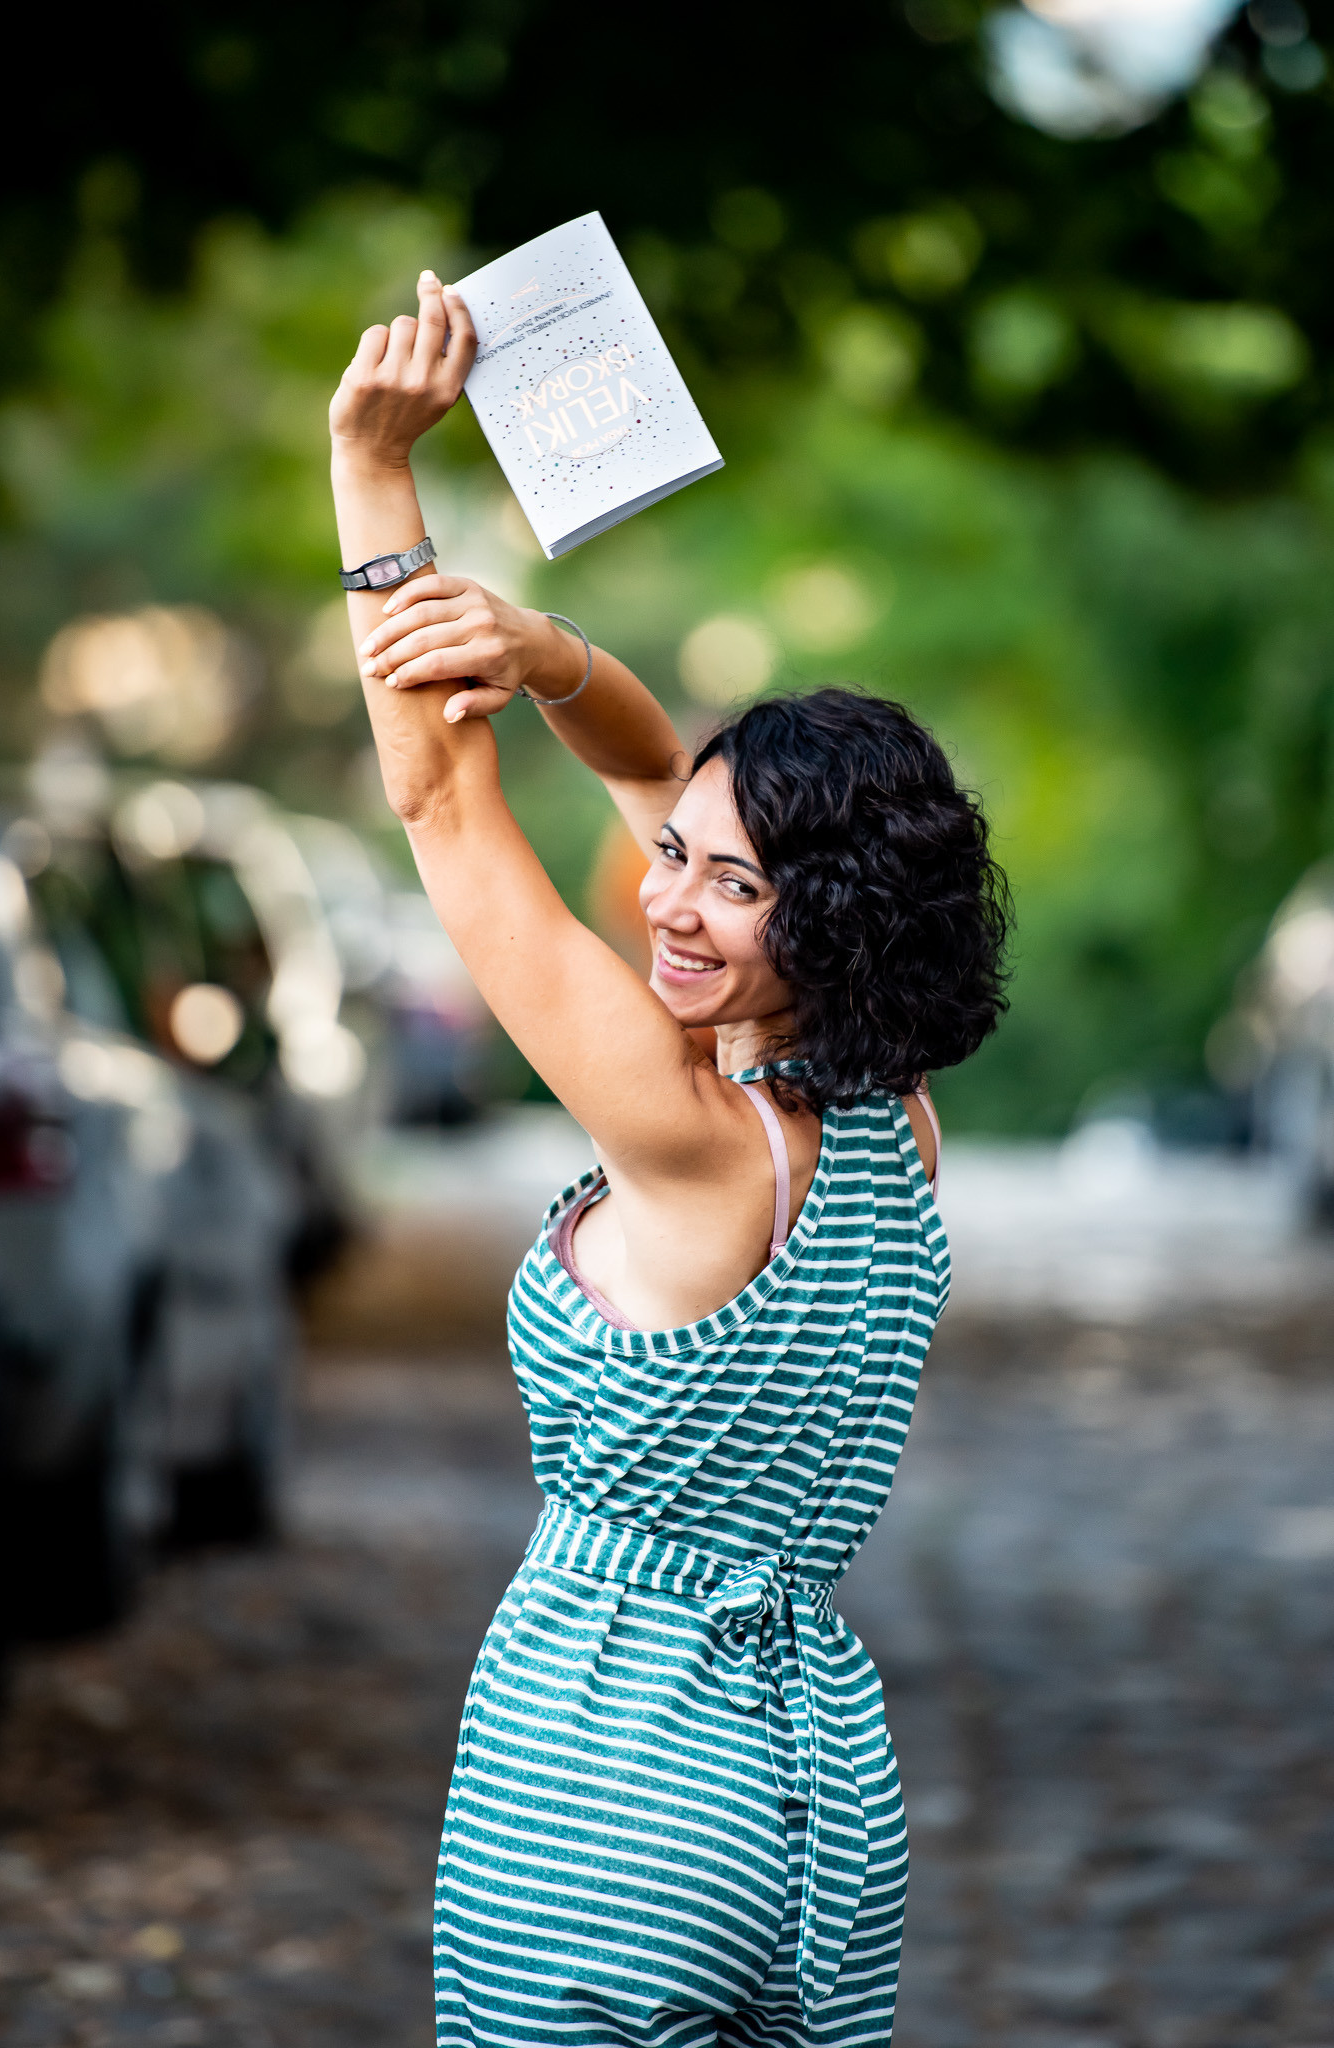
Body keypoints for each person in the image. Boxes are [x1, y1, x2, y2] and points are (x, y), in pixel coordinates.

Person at [329, 273, 1009, 2048]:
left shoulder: (688, 1135)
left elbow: (442, 806)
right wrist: (552, 658)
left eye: (733, 881)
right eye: (677, 857)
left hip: (614, 1800)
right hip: (820, 1809)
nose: (670, 898)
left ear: (825, 919)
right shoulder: (892, 1120)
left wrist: (372, 473)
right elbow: (651, 771)